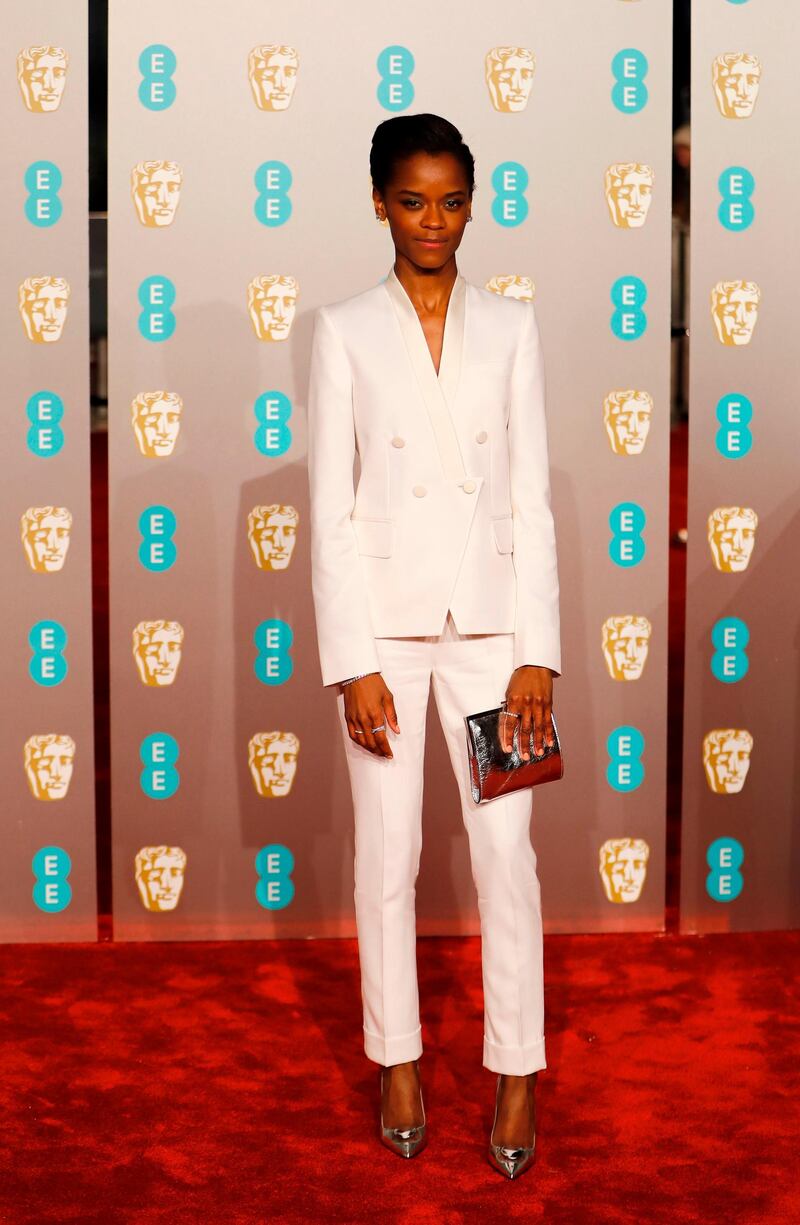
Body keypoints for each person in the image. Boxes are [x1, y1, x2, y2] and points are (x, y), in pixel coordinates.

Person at [306, 113, 561, 1180]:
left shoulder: (509, 326)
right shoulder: (342, 329)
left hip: (493, 629)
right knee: (388, 857)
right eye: (411, 200)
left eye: (450, 200)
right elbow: (329, 508)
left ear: (472, 202)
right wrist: (350, 658)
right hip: (386, 636)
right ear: (377, 202)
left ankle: (512, 1067)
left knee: (505, 854)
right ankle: (396, 1057)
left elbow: (531, 496)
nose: (431, 220)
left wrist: (536, 651)